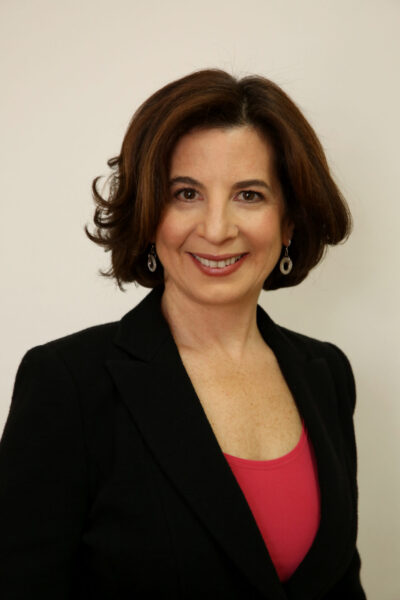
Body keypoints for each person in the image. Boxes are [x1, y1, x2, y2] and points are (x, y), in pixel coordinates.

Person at [0, 69, 367, 599]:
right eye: (186, 193)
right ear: (150, 214)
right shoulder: (68, 384)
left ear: (289, 221)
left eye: (249, 195)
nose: (216, 229)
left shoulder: (327, 374)